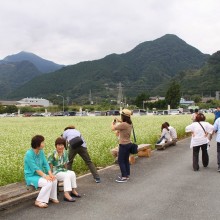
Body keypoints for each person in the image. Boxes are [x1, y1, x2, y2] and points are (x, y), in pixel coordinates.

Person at [24, 135, 59, 208]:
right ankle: (38, 201)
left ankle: (52, 197)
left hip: (40, 175)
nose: (44, 144)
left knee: (54, 179)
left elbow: (45, 163)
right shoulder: (29, 154)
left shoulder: (41, 152)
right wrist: (45, 176)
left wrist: (50, 174)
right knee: (48, 182)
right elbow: (35, 168)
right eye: (42, 142)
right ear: (37, 144)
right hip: (31, 176)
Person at [48, 137, 80, 202]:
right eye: (58, 145)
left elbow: (65, 163)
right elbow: (50, 165)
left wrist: (67, 171)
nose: (60, 147)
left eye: (62, 145)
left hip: (62, 170)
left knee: (72, 173)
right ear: (56, 145)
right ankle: (66, 194)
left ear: (64, 146)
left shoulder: (65, 153)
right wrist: (50, 175)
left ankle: (73, 190)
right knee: (66, 176)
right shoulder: (52, 154)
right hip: (55, 172)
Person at [111, 109, 133, 183]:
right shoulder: (129, 123)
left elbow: (112, 128)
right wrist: (119, 121)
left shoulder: (123, 125)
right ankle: (127, 175)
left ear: (123, 116)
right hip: (128, 144)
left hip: (123, 145)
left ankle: (124, 177)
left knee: (121, 161)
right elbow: (123, 123)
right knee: (126, 160)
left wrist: (113, 123)